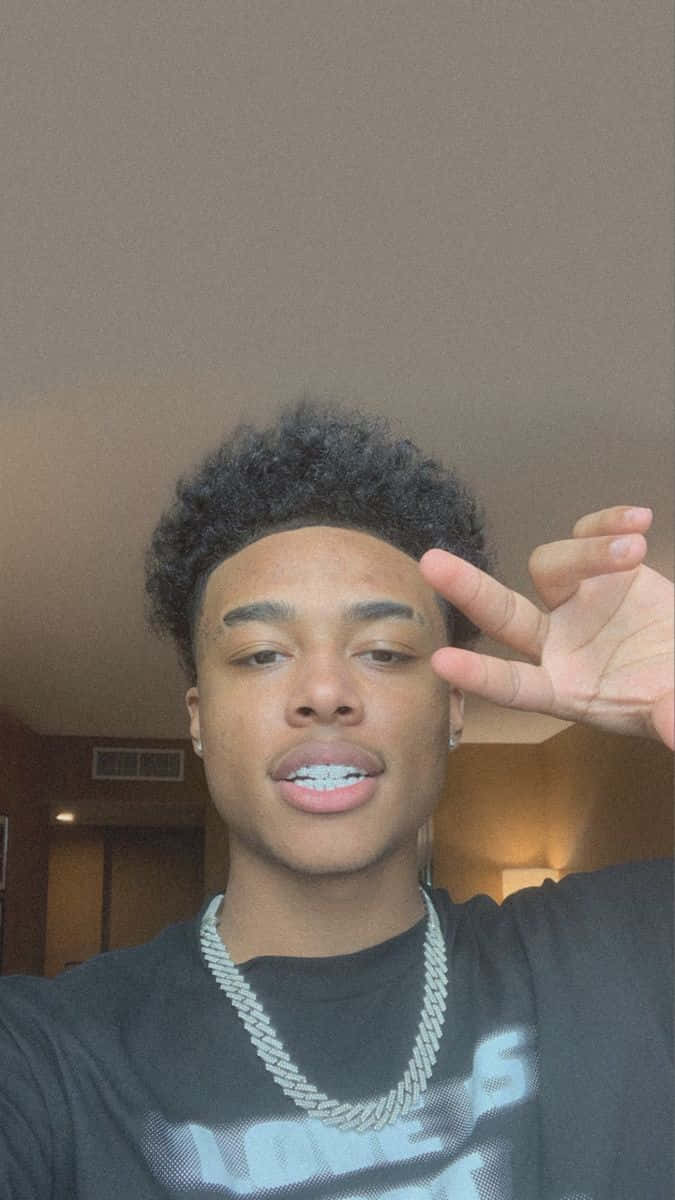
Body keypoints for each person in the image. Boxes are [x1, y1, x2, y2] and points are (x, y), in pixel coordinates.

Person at [1, 397, 672, 1199]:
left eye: (383, 651)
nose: (324, 692)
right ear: (199, 720)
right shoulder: (44, 1056)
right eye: (260, 655)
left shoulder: (622, 957)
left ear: (452, 710)